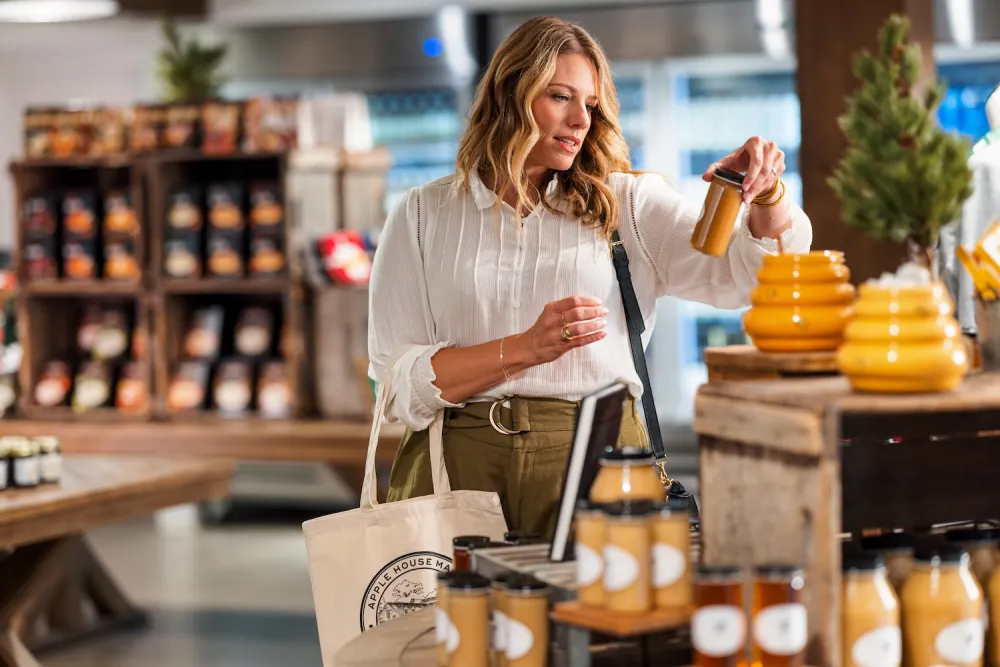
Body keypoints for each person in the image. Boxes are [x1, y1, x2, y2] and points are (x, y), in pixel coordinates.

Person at [368, 16, 813, 538]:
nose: (581, 119)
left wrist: (766, 196)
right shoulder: (421, 214)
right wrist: (524, 348)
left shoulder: (627, 205)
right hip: (453, 469)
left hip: (595, 462)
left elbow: (749, 279)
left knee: (595, 615)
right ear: (509, 93)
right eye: (560, 97)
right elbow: (396, 387)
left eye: (591, 105)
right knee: (453, 619)